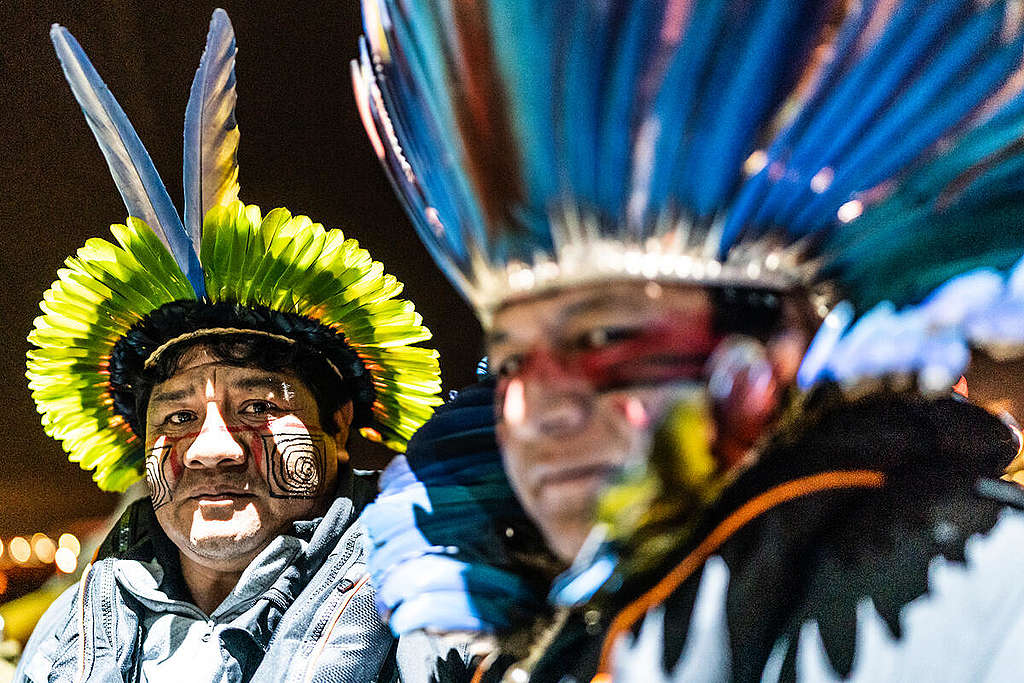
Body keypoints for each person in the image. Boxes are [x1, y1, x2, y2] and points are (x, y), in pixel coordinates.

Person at [354, 0, 1024, 680]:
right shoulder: (545, 652)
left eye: (606, 335)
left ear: (783, 348)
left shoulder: (992, 594)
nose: (534, 411)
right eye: (510, 362)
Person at [14, 10, 447, 681]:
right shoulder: (64, 635)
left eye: (259, 408)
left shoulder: (430, 616)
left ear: (337, 425)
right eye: (178, 416)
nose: (213, 448)